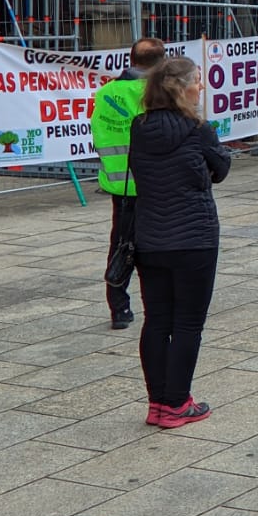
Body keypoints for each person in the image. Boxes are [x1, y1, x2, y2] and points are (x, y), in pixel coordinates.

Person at [130, 56, 231, 429]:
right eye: (198, 82)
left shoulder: (139, 127)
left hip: (150, 236)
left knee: (156, 320)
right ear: (183, 88)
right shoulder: (197, 126)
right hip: (194, 237)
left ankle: (157, 403)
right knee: (187, 323)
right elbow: (221, 168)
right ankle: (177, 403)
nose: (201, 87)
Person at [90, 37, 166, 330]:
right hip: (153, 184)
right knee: (156, 248)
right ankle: (156, 304)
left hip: (119, 184)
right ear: (161, 63)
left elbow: (98, 133)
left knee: (121, 247)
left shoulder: (106, 92)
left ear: (131, 59)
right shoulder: (157, 92)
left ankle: (119, 307)